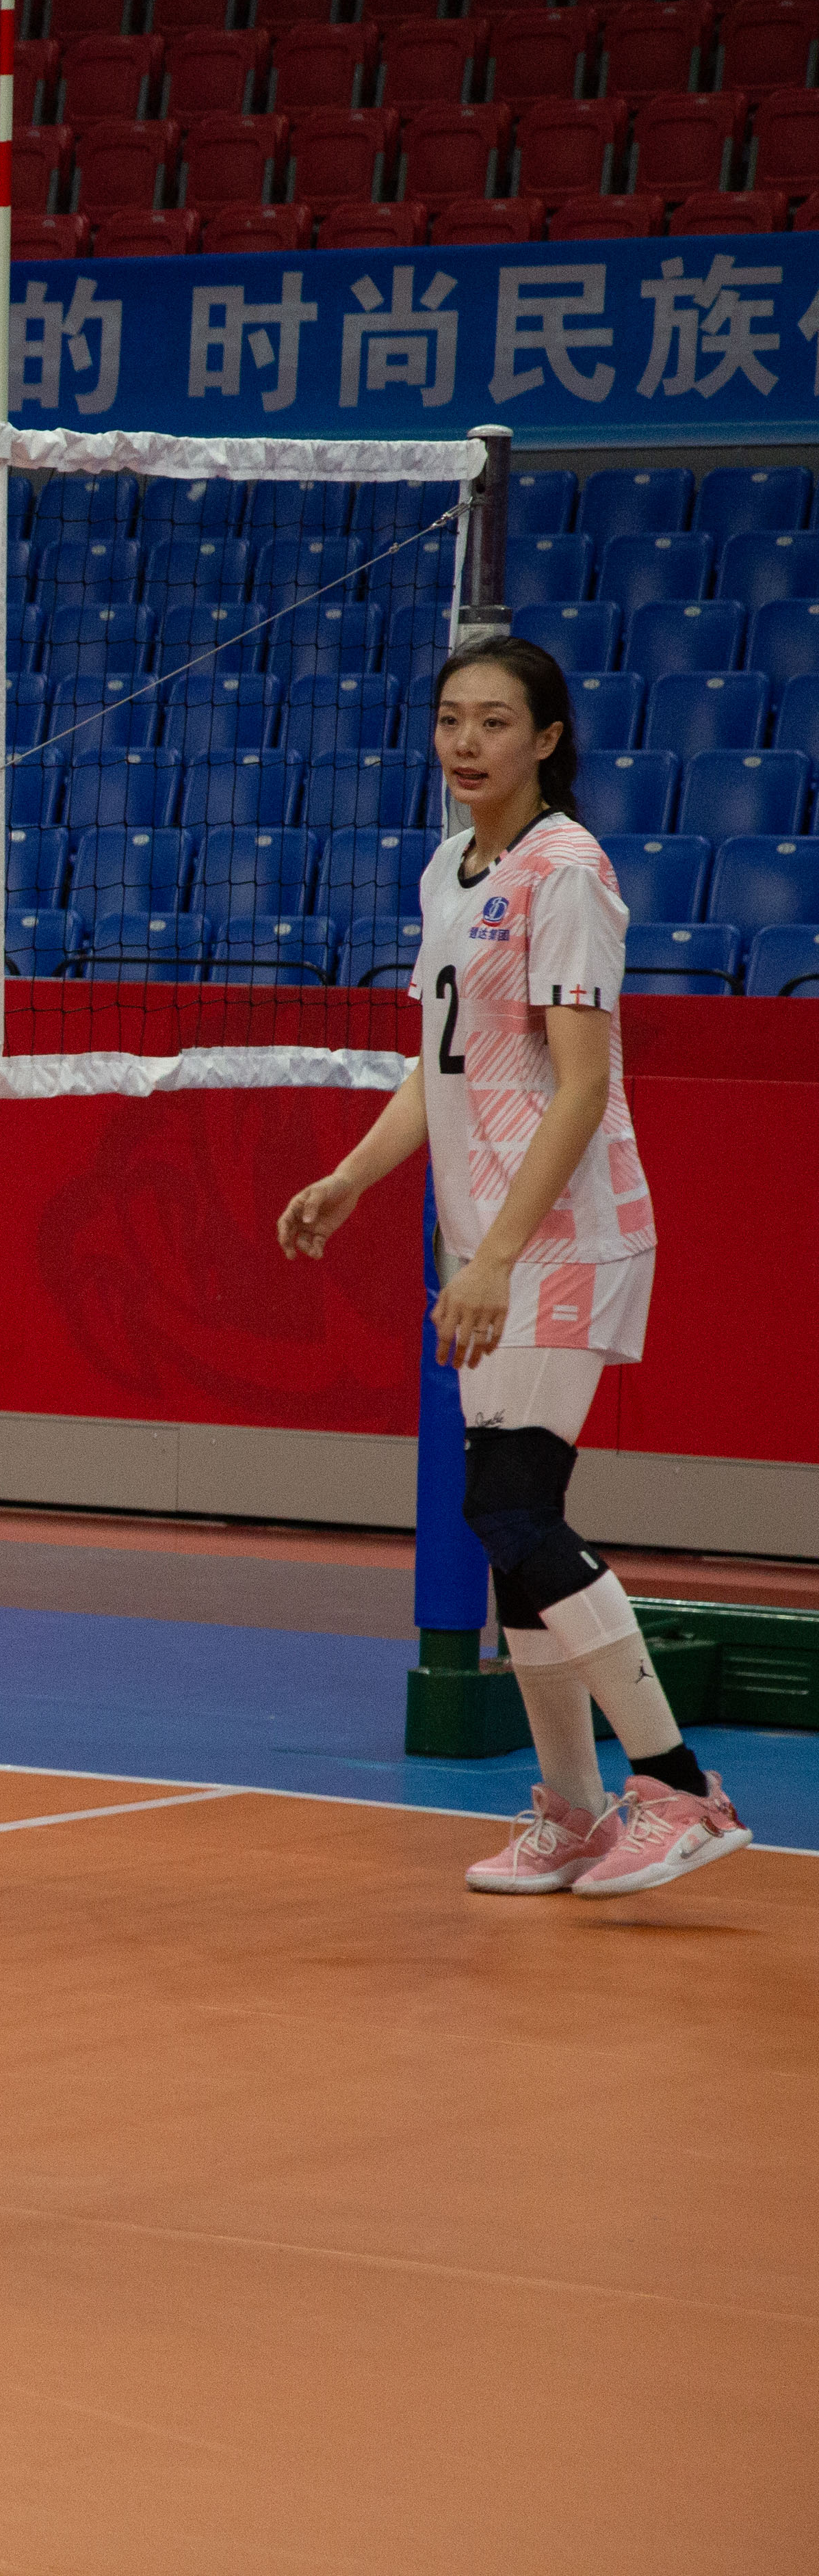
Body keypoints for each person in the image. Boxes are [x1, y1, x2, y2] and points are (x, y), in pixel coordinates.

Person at [276, 636, 747, 1900]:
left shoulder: (569, 872)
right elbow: (444, 1070)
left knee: (515, 1514)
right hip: (484, 1241)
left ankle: (683, 1790)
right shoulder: (450, 868)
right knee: (506, 1530)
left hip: (564, 1242)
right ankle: (577, 1811)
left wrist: (488, 1259)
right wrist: (353, 1178)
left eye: (495, 721)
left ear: (546, 741)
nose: (466, 743)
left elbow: (582, 1088)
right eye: (449, 720)